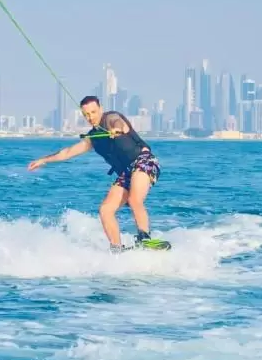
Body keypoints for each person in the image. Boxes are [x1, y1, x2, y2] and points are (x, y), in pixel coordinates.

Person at [28, 95, 167, 252]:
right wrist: (43, 160)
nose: (90, 117)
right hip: (126, 172)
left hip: (144, 161)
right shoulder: (93, 137)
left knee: (135, 199)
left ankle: (144, 239)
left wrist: (117, 129)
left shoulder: (111, 118)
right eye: (86, 114)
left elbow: (119, 124)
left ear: (100, 109)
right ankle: (116, 249)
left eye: (93, 112)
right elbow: (68, 152)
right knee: (105, 210)